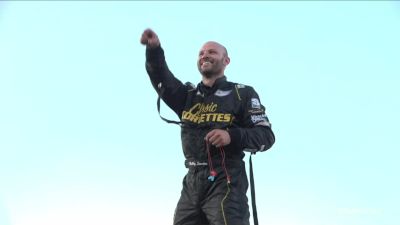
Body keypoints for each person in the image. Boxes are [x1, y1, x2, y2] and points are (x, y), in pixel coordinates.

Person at [140, 28, 275, 225]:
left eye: (212, 52)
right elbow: (162, 77)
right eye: (201, 53)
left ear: (226, 61)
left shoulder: (242, 93)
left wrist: (231, 136)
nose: (205, 55)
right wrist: (154, 49)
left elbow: (266, 136)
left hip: (226, 179)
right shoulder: (187, 95)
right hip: (192, 181)